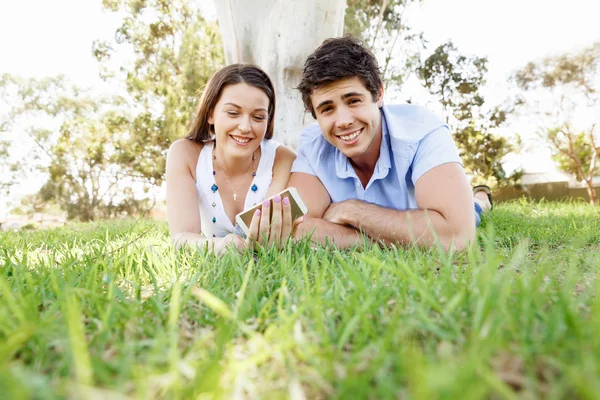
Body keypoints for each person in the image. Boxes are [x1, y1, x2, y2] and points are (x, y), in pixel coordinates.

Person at [287, 36, 492, 250]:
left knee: (473, 211)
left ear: (379, 95)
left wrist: (352, 211)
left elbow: (456, 235)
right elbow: (296, 229)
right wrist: (375, 241)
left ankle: (481, 199)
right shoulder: (312, 145)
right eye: (327, 109)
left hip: (430, 207)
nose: (344, 121)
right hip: (411, 224)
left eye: (353, 101)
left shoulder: (423, 130)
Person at [166, 64, 298, 254]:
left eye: (258, 117)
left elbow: (269, 237)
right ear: (210, 114)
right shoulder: (185, 154)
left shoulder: (283, 159)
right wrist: (219, 246)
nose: (245, 127)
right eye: (233, 113)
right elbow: (181, 237)